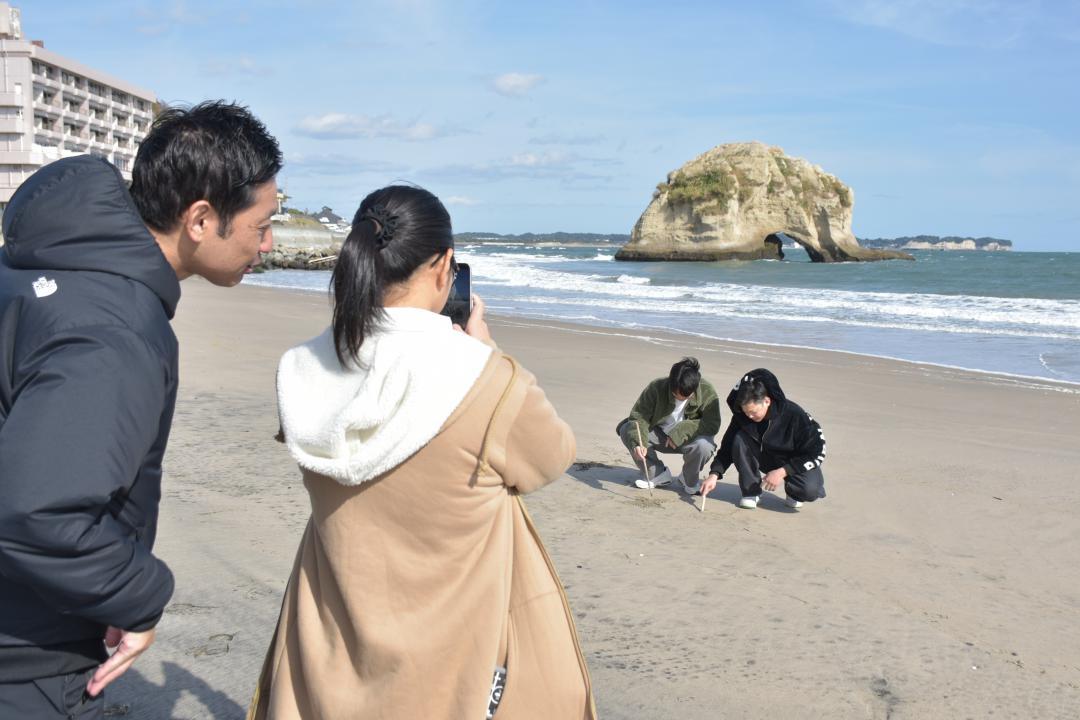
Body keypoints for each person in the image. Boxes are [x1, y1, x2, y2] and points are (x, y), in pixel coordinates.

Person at [249, 185, 596, 720]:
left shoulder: (301, 368)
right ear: (445, 267)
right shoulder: (487, 379)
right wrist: (489, 350)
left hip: (328, 655)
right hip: (457, 670)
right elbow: (554, 455)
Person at [0, 101, 282, 717]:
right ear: (201, 219)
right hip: (24, 650)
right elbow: (34, 510)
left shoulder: (50, 267)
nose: (270, 241)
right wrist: (137, 595)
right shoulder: (114, 329)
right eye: (262, 223)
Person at [701, 368, 826, 510]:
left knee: (810, 490)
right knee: (739, 439)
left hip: (792, 461)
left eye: (753, 412)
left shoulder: (795, 415)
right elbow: (727, 447)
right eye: (746, 412)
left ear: (767, 401)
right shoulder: (742, 416)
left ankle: (793, 492)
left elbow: (817, 452)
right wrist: (714, 474)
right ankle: (751, 492)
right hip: (764, 456)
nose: (749, 417)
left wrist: (782, 471)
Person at [616, 357, 721, 494]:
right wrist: (638, 443)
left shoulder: (707, 391)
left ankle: (688, 479)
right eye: (675, 394)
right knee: (627, 430)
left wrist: (681, 430)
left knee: (704, 446)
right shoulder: (657, 387)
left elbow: (713, 424)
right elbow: (639, 416)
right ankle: (657, 474)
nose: (679, 398)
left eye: (685, 396)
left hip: (688, 441)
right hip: (659, 436)